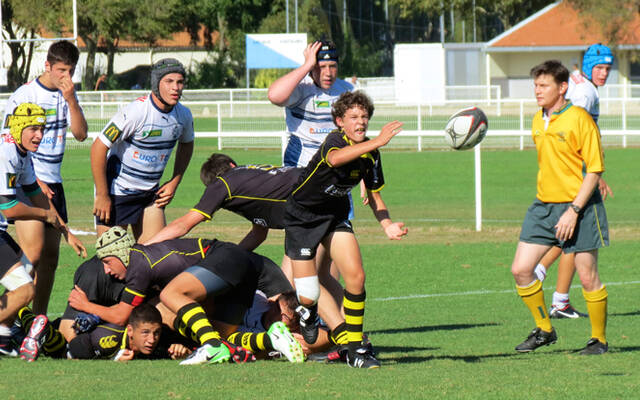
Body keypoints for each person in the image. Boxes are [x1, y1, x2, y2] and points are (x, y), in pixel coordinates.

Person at [285, 91, 407, 369]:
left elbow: (374, 195)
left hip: (334, 216)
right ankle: (308, 313)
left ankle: (355, 350)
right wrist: (377, 141)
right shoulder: (335, 141)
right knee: (308, 294)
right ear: (339, 121)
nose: (360, 122)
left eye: (364, 116)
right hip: (302, 217)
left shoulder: (370, 154)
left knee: (356, 277)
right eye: (353, 117)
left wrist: (387, 224)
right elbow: (336, 160)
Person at [512, 60, 609, 355]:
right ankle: (544, 330)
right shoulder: (537, 120)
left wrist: (574, 210)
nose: (537, 92)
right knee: (521, 269)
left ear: (562, 87)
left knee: (587, 274)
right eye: (536, 86)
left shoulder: (579, 118)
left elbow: (594, 169)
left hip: (578, 206)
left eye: (544, 86)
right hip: (543, 205)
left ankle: (599, 340)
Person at [1, 41, 88, 315]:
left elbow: (81, 134)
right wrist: (34, 181)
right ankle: (10, 315)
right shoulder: (25, 94)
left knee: (50, 259)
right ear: (47, 66)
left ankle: (35, 322)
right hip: (29, 183)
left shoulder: (67, 94)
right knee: (33, 253)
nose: (66, 77)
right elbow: (9, 140)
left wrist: (72, 100)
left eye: (71, 71)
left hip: (54, 181)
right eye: (61, 70)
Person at [533, 44, 614, 319]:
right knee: (574, 237)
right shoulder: (585, 92)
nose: (604, 73)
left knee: (571, 238)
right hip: (574, 179)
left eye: (608, 68)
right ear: (589, 66)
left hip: (579, 174)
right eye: (600, 67)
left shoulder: (582, 84)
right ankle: (546, 279)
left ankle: (559, 297)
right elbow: (571, 133)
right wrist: (590, 174)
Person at [0, 103, 85, 356]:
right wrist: (44, 215)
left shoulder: (21, 152)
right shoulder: (6, 153)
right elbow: (10, 209)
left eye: (42, 129)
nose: (40, 135)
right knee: (25, 289)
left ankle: (3, 336)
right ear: (18, 128)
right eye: (34, 129)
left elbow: (37, 196)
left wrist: (66, 233)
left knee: (26, 267)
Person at [91, 58, 194, 243]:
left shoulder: (183, 115)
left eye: (180, 82)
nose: (176, 88)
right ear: (156, 84)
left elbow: (187, 144)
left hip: (150, 196)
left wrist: (174, 182)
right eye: (169, 81)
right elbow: (99, 147)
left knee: (154, 260)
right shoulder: (135, 112)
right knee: (112, 261)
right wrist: (102, 194)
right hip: (117, 193)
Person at [145, 153, 302, 251]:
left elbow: (183, 225)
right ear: (232, 165)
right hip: (313, 184)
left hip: (308, 196)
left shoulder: (222, 183)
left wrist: (144, 247)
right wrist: (233, 256)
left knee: (298, 264)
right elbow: (258, 234)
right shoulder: (253, 179)